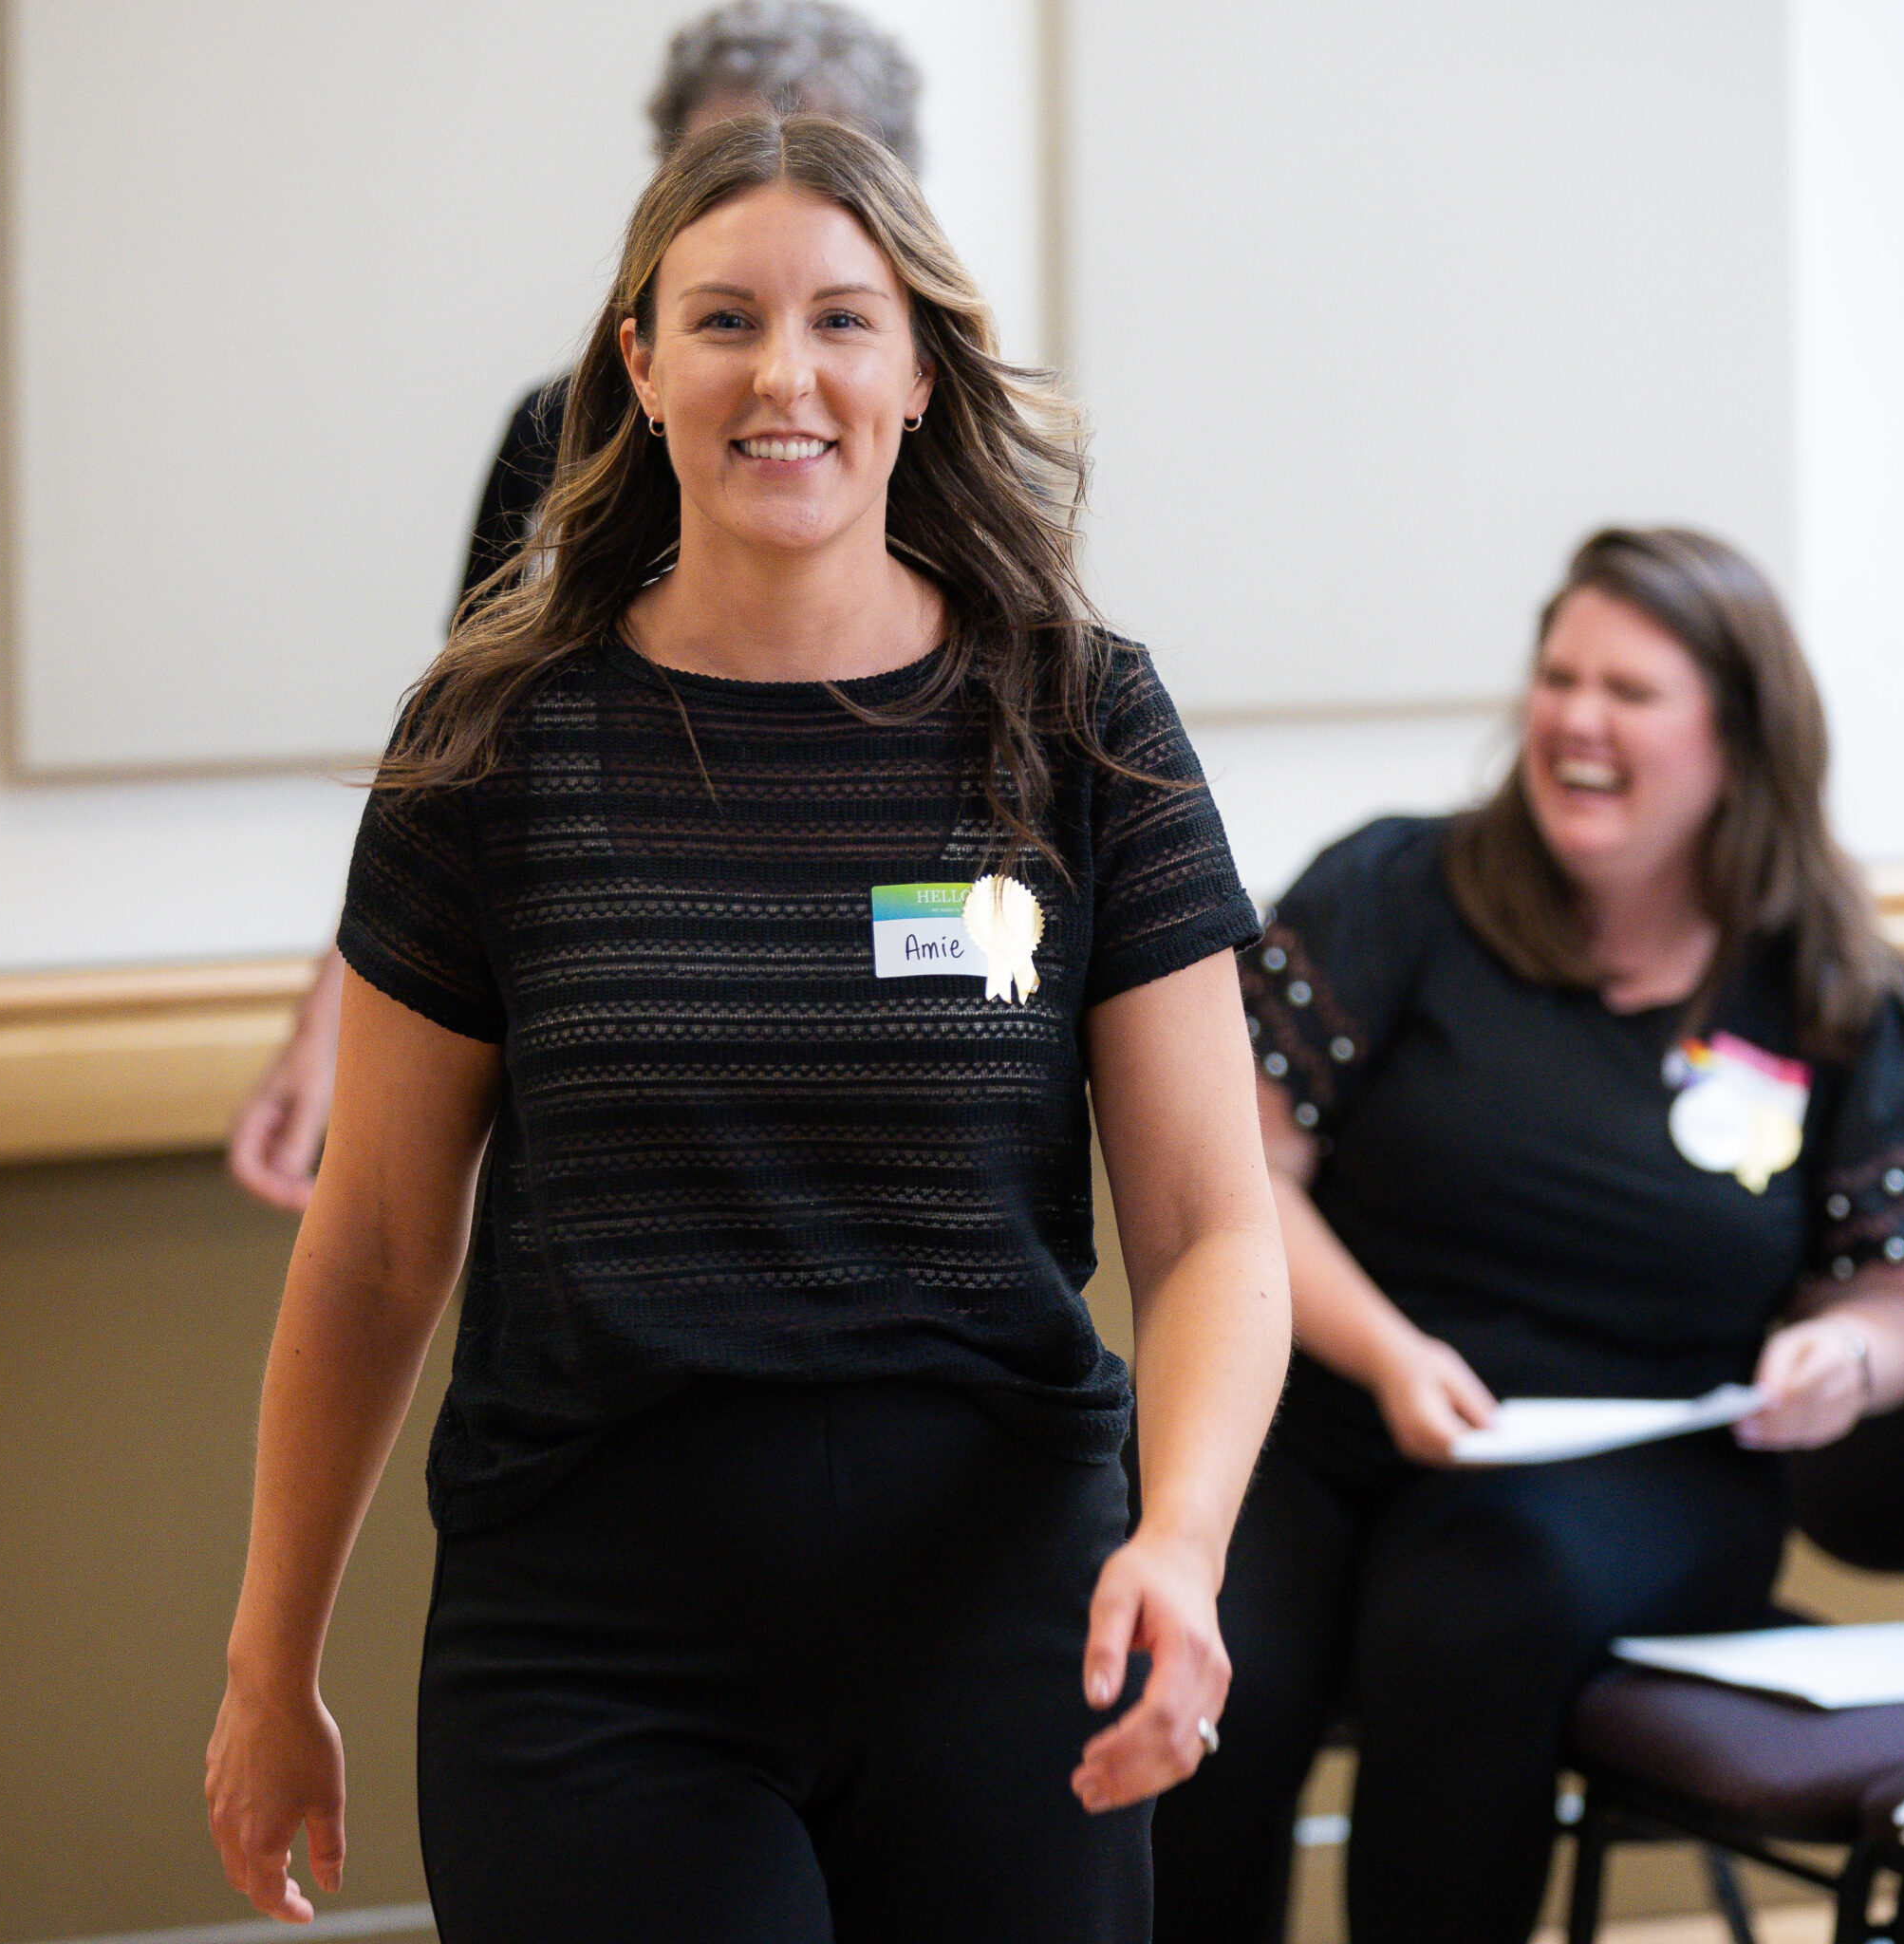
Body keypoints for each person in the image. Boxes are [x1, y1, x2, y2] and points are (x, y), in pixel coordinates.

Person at [203, 113, 1290, 1941]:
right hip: (597, 1648)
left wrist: (1178, 1539)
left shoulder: (1082, 721)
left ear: (921, 369)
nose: (785, 375)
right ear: (635, 366)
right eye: (724, 320)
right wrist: (266, 1658)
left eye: (844, 322)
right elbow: (379, 1244)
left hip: (1007, 1620)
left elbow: (1207, 1229)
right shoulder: (494, 743)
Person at [1150, 527, 1904, 1943]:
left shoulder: (1830, 985)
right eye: (1558, 678)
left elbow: (1896, 1303)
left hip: (1640, 1466)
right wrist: (1393, 1355)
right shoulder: (1399, 891)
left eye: (1631, 692)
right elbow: (1247, 1185)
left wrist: (1844, 1358)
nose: (1577, 721)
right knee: (1204, 1603)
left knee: (1476, 1596)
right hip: (1336, 1406)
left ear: (1739, 738)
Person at [228, 0, 924, 1214]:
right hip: (613, 1026)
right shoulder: (558, 431)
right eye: (717, 171)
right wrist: (334, 1015)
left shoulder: (936, 452)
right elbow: (447, 767)